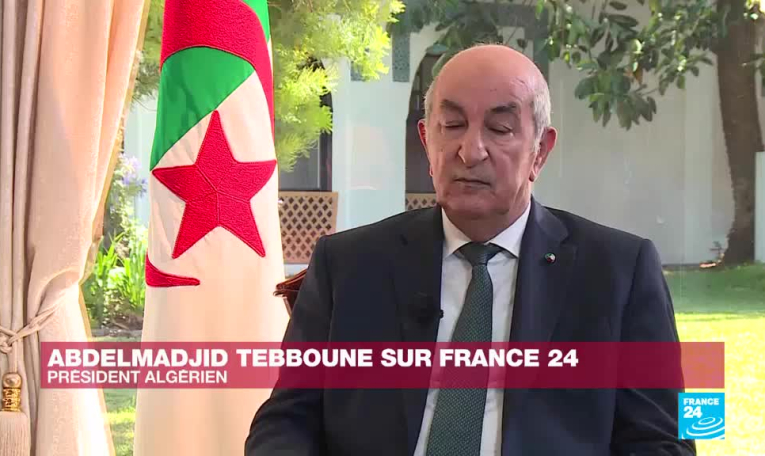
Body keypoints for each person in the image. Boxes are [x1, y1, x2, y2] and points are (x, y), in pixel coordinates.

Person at [245, 44, 694, 456]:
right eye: (453, 126)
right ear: (427, 141)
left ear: (540, 151)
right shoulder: (347, 265)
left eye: (499, 128)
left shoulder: (619, 272)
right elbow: (287, 420)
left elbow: (664, 439)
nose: (470, 150)